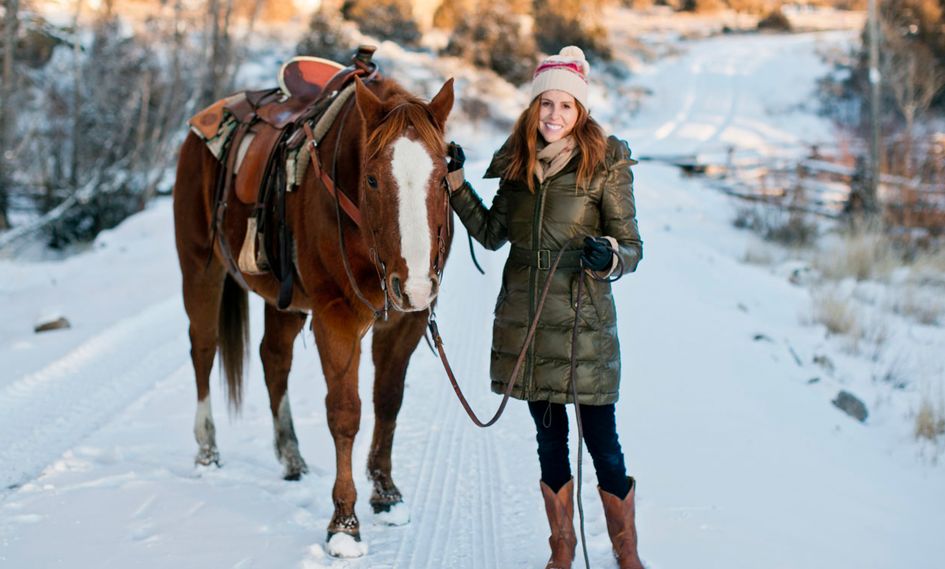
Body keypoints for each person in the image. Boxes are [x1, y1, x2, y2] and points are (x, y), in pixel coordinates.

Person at [444, 46, 645, 569]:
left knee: (605, 445)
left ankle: (627, 553)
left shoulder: (607, 163)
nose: (554, 116)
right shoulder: (517, 165)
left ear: (581, 113)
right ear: (533, 107)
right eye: (545, 104)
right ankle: (561, 549)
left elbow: (632, 249)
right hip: (528, 329)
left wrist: (610, 257)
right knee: (549, 442)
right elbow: (491, 235)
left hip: (584, 325)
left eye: (566, 106)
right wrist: (457, 185)